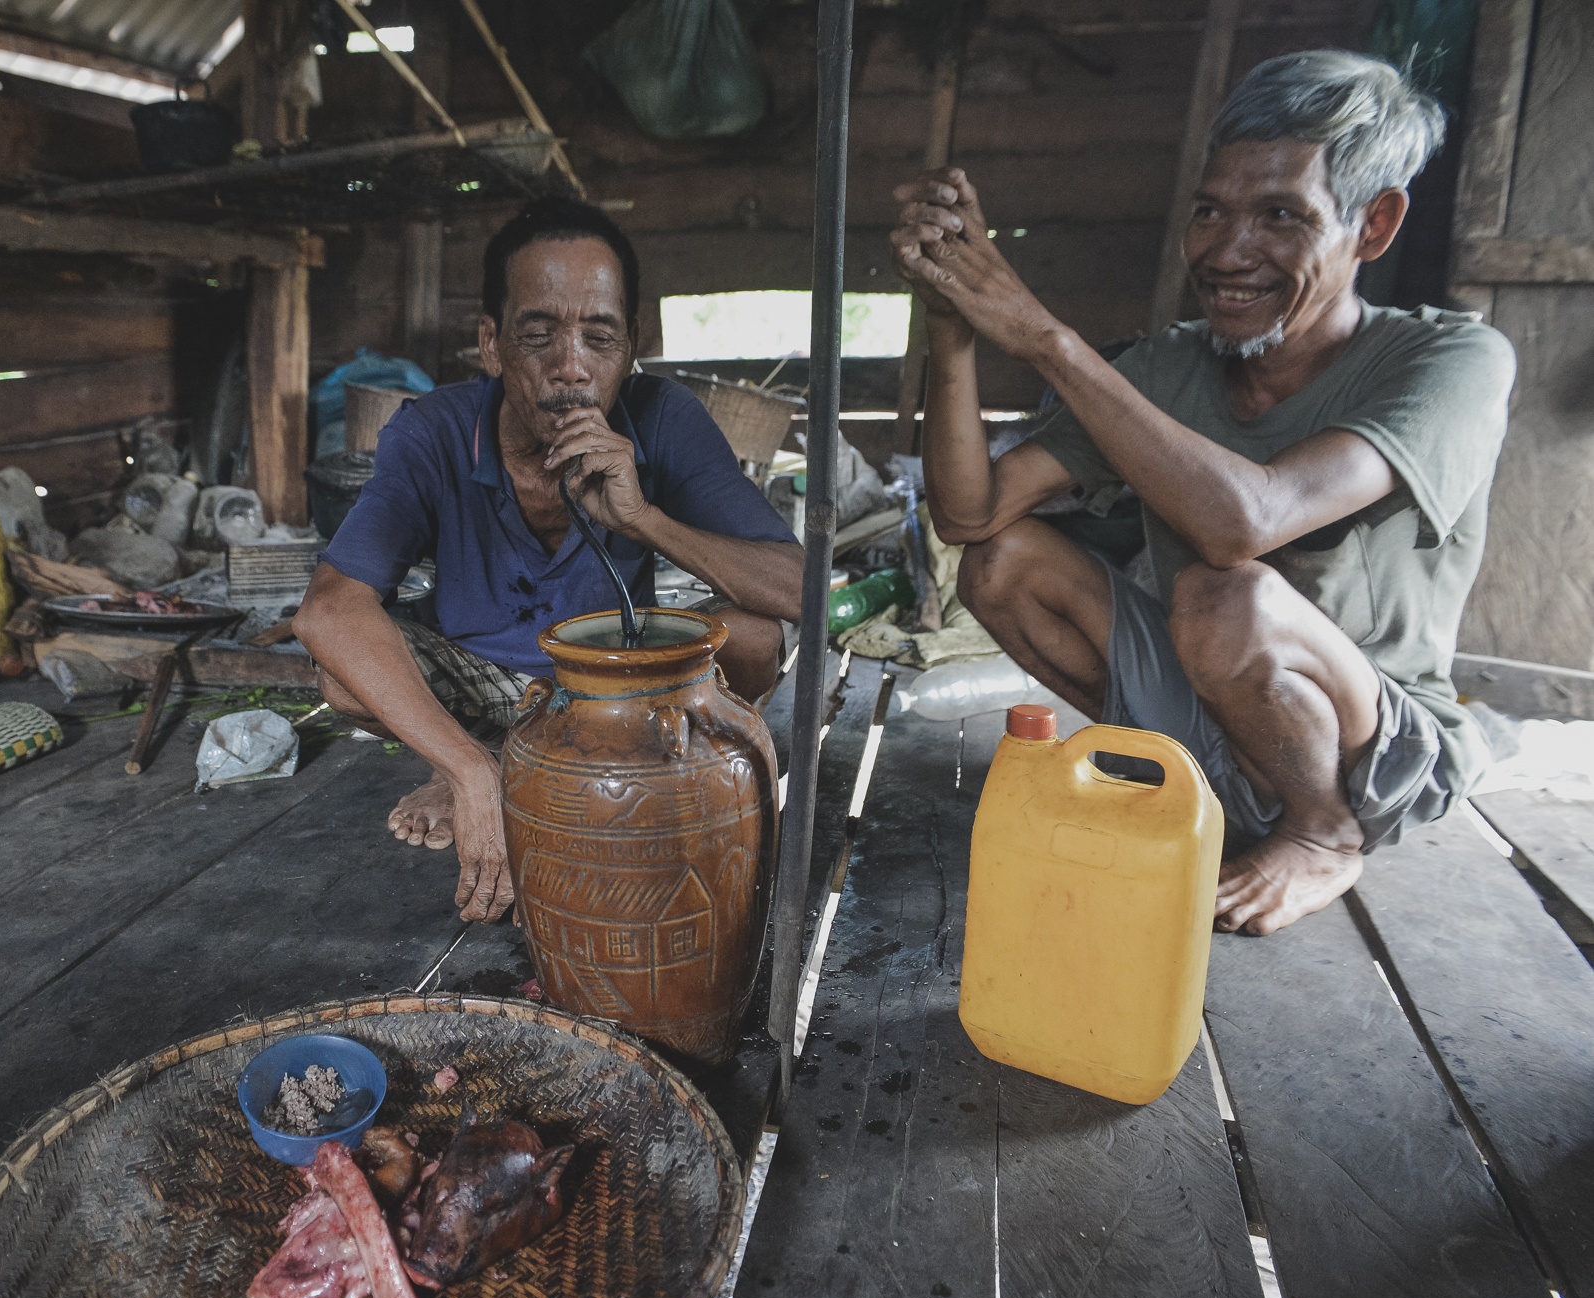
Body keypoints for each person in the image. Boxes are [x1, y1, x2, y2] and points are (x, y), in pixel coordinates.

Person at [889, 50, 1516, 936]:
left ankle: (1323, 834)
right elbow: (969, 515)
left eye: (1281, 216)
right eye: (1211, 210)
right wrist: (953, 323)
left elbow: (1246, 522)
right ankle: (1199, 788)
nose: (1227, 252)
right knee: (1001, 563)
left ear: (1373, 225)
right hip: (1209, 710)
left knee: (1229, 597)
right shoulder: (1172, 364)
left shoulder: (1451, 360)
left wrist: (1046, 341)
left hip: (1375, 755)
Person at [294, 198, 803, 924]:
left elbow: (801, 592)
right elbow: (326, 609)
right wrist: (468, 772)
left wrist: (642, 518)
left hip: (618, 692)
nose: (571, 368)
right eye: (538, 335)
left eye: (600, 338)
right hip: (479, 689)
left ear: (632, 346)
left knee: (751, 636)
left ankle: (609, 776)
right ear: (491, 344)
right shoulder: (434, 431)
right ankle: (481, 765)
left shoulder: (663, 417)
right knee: (340, 669)